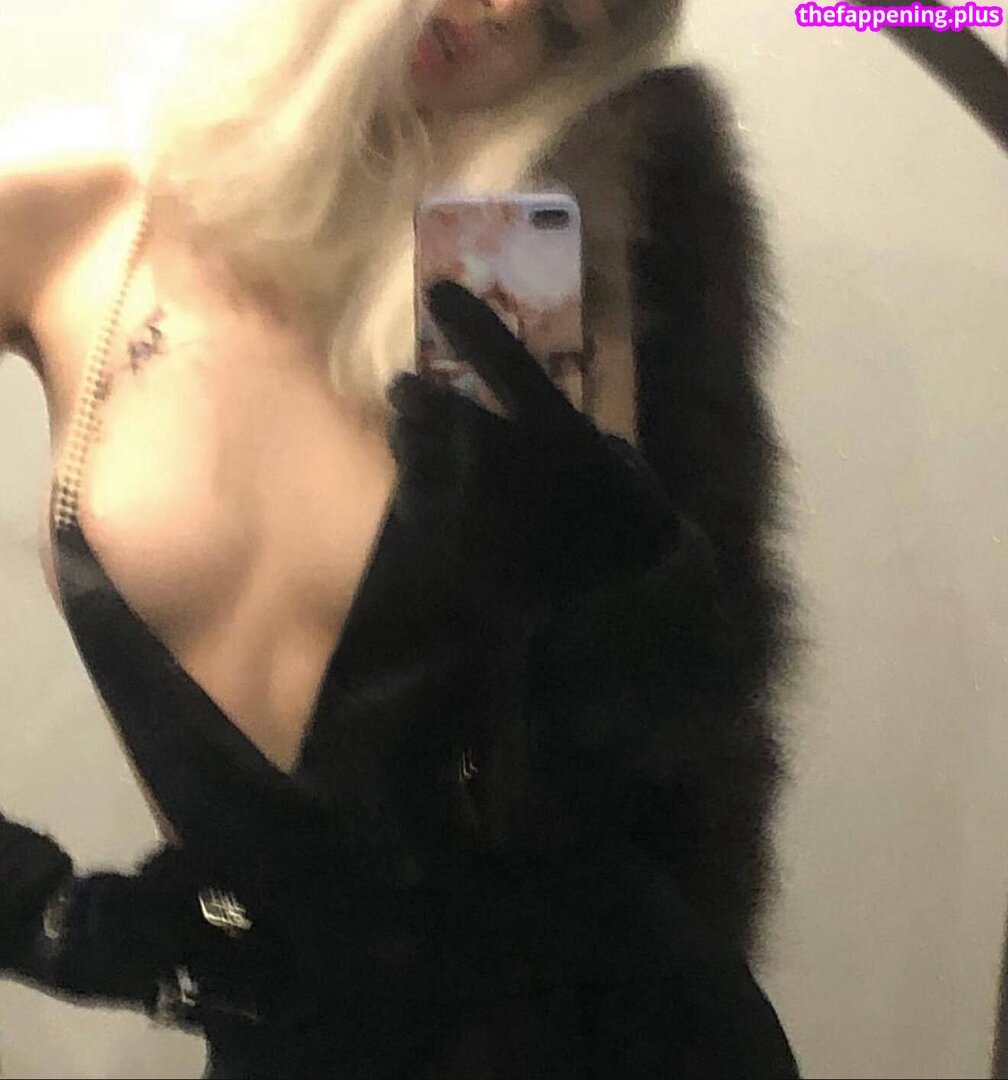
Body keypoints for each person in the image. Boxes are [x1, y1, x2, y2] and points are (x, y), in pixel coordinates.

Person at [0, 0, 800, 1076]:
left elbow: (638, 774)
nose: (505, 10)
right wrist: (48, 917)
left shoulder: (532, 256)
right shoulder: (71, 213)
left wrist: (627, 600)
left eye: (562, 19)